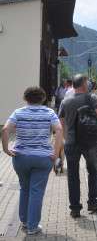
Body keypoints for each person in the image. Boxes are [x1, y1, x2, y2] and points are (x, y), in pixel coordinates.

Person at [1, 86, 63, 235]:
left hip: (21, 157)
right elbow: (59, 130)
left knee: (24, 188)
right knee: (36, 191)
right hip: (43, 158)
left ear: (25, 98)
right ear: (42, 98)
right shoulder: (49, 112)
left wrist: (5, 149)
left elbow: (5, 130)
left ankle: (24, 220)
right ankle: (33, 226)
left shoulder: (18, 112)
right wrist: (55, 153)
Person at [58, 74, 97, 218]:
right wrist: (96, 135)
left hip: (71, 142)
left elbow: (61, 122)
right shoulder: (91, 98)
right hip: (89, 142)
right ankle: (92, 203)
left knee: (72, 175)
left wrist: (66, 137)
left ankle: (75, 209)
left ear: (73, 85)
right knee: (93, 171)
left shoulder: (66, 101)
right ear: (84, 84)